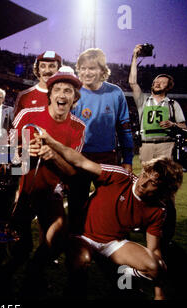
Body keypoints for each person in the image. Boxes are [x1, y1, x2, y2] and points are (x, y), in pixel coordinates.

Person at [30, 131, 183, 300]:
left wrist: (159, 293)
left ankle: (121, 273)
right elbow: (80, 161)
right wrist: (51, 141)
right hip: (82, 236)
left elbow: (154, 249)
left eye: (152, 183)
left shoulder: (158, 210)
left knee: (155, 266)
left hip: (113, 243)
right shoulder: (120, 176)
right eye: (145, 174)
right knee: (81, 262)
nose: (143, 182)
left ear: (163, 189)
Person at [7, 66, 85, 296]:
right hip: (21, 190)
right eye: (57, 90)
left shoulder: (79, 127)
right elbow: (2, 153)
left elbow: (72, 172)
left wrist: (53, 157)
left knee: (58, 238)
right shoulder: (27, 116)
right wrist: (23, 150)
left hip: (52, 192)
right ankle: (4, 275)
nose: (62, 95)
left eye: (68, 91)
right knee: (20, 248)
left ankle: (34, 272)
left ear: (74, 98)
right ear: (49, 95)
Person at [69, 48, 134, 234]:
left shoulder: (115, 93)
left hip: (107, 158)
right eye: (82, 68)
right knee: (76, 205)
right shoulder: (73, 93)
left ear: (102, 70)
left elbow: (124, 128)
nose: (87, 73)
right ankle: (77, 245)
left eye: (92, 68)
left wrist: (128, 160)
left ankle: (110, 244)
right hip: (79, 157)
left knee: (111, 204)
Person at [129, 44, 187, 163]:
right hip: (146, 146)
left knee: (166, 179)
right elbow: (133, 82)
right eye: (156, 81)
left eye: (162, 82)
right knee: (148, 179)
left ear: (168, 87)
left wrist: (173, 124)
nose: (157, 83)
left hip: (167, 145)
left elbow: (184, 127)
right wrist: (134, 56)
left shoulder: (173, 104)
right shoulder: (143, 101)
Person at [13, 51, 62, 116]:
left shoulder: (65, 98)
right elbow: (16, 125)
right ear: (38, 69)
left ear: (58, 70)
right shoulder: (24, 96)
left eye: (52, 66)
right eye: (43, 66)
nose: (47, 70)